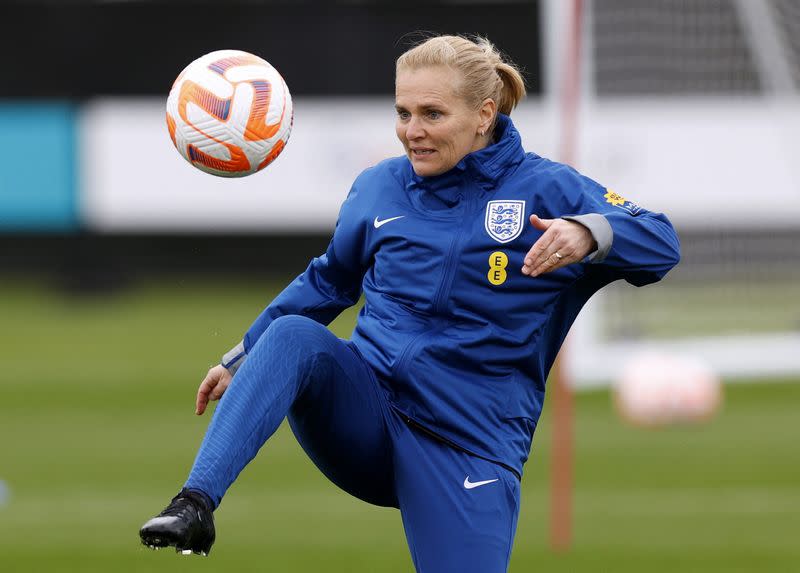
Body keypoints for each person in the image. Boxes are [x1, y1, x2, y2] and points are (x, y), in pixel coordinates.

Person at [139, 34, 680, 572]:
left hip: (468, 442)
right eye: (402, 112)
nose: (412, 131)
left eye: (431, 114)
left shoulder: (549, 189)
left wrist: (589, 233)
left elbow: (661, 241)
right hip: (367, 415)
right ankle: (195, 504)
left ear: (484, 114)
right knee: (292, 338)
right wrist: (242, 359)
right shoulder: (379, 187)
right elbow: (328, 283)